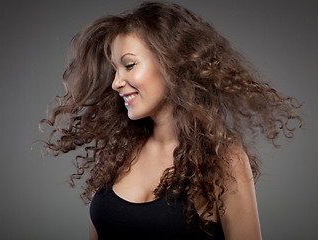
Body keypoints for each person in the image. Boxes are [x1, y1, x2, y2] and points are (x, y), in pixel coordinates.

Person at [40, 2, 301, 239]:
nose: (116, 82)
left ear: (173, 64)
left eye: (129, 65)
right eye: (114, 69)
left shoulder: (223, 162)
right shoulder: (116, 153)